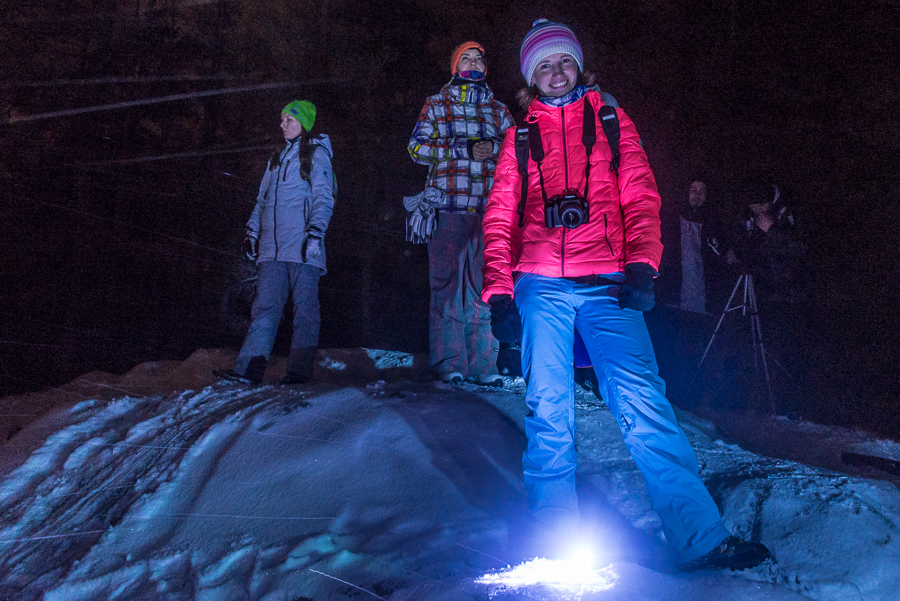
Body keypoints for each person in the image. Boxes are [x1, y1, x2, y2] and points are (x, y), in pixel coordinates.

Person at [481, 19, 770, 569]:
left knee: (645, 404)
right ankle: (552, 535)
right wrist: (499, 294)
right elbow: (499, 217)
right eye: (543, 66)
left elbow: (641, 195)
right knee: (549, 407)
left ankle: (699, 537)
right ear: (530, 78)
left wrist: (643, 267)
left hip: (609, 283)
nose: (555, 72)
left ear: (578, 64)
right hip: (540, 283)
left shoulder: (612, 120)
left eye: (562, 61)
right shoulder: (520, 136)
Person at [408, 41, 516, 386]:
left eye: (478, 58)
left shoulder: (498, 110)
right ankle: (449, 362)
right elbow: (416, 148)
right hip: (447, 207)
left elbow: (518, 150)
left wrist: (495, 148)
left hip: (490, 211)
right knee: (446, 288)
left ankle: (484, 365)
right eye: (465, 58)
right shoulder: (437, 104)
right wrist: (464, 148)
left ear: (485, 68)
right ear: (455, 67)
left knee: (485, 288)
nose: (473, 62)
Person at [215, 100, 335, 386]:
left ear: (303, 123)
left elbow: (324, 198)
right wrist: (252, 232)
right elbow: (262, 200)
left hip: (305, 245)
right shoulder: (276, 158)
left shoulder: (316, 155)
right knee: (265, 309)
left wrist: (316, 234)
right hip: (272, 249)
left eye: (289, 120)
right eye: (282, 119)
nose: (282, 124)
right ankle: (249, 370)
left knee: (305, 311)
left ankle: (298, 372)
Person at [661, 178, 728, 314]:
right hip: (674, 293)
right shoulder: (670, 220)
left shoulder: (712, 223)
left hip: (702, 296)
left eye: (702, 192)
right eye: (693, 191)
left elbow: (718, 255)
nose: (697, 195)